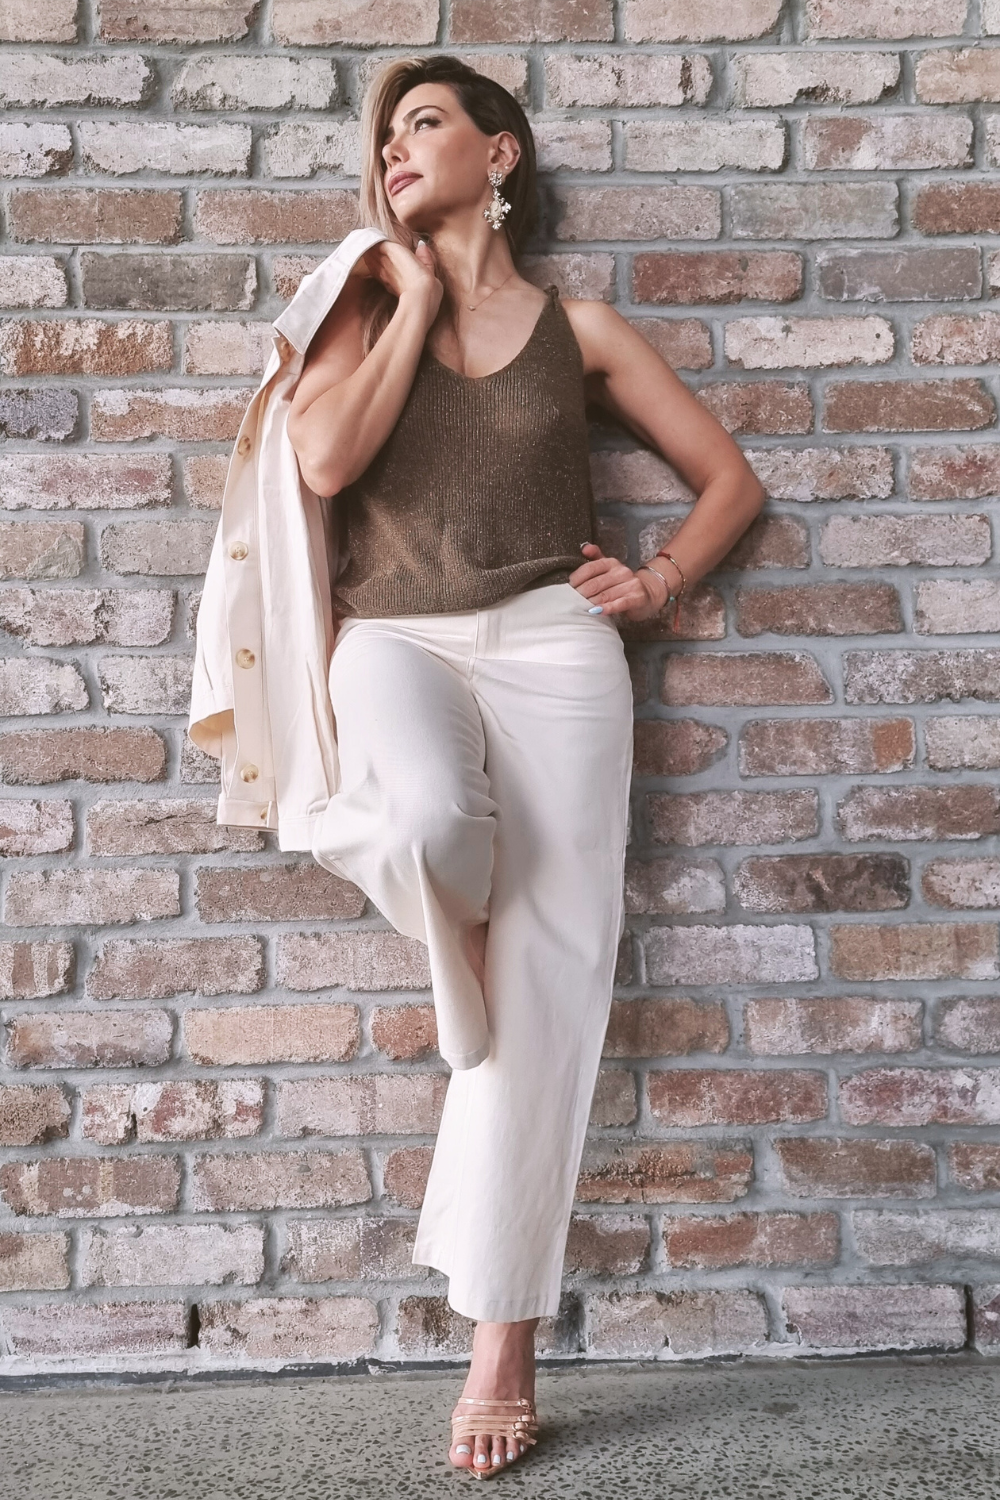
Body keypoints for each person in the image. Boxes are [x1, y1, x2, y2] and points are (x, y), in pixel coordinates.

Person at [286, 53, 765, 1480]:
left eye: (423, 123)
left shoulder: (582, 327)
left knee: (554, 972)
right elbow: (322, 465)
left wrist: (663, 579)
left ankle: (503, 1340)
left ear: (501, 155)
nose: (394, 150)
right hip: (397, 640)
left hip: (559, 645)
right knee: (433, 825)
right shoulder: (358, 304)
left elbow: (730, 481)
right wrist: (417, 293)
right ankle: (464, 961)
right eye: (382, 137)